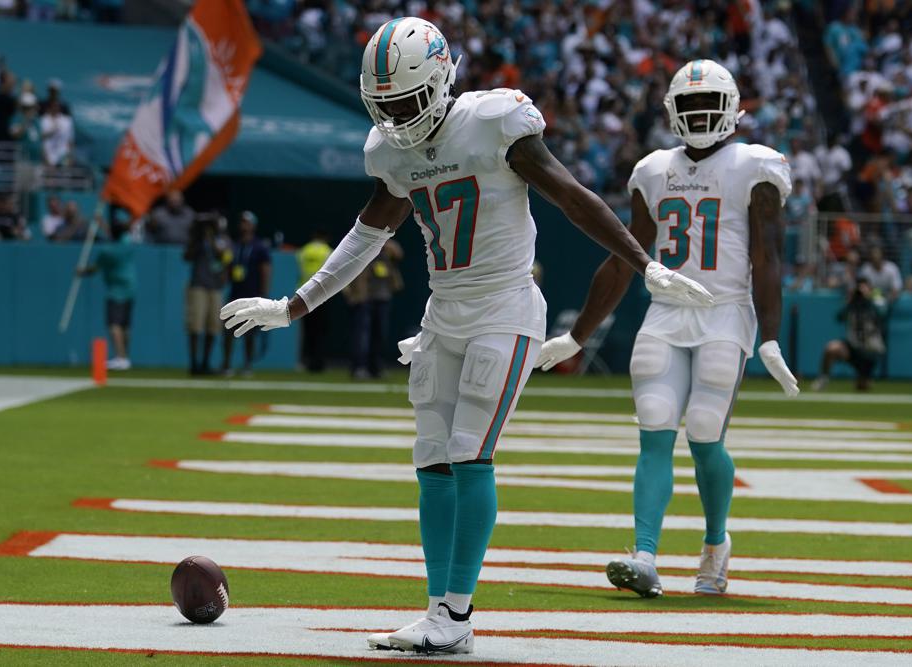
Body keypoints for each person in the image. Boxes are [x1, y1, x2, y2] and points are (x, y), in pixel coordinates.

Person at [219, 18, 711, 656]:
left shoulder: (493, 124)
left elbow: (570, 195)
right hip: (443, 311)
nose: (396, 117)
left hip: (504, 307)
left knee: (468, 447)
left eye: (406, 101)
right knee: (431, 457)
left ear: (441, 79)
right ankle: (436, 612)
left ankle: (457, 611)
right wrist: (295, 305)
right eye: (385, 105)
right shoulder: (391, 153)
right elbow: (368, 233)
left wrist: (644, 265)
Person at [536, 59, 798, 600]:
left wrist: (769, 334)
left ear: (732, 110)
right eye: (690, 107)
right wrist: (578, 335)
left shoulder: (756, 165)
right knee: (654, 425)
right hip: (665, 309)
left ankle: (715, 543)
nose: (700, 116)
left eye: (709, 106)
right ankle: (645, 555)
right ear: (672, 113)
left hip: (726, 309)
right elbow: (622, 257)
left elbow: (768, 256)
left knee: (704, 432)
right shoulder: (653, 170)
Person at [76, 213, 136, 370]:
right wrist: (102, 223)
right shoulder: (127, 243)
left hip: (116, 289)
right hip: (130, 287)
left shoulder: (107, 251)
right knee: (125, 325)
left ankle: (120, 357)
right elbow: (116, 233)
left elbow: (94, 269)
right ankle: (125, 357)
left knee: (114, 324)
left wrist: (82, 271)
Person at [811, 278, 887, 391]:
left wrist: (868, 299)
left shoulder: (875, 302)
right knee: (831, 348)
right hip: (853, 349)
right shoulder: (853, 304)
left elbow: (882, 315)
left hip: (870, 351)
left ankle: (864, 379)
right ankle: (823, 379)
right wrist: (851, 301)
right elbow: (839, 317)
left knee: (862, 387)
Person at [344, 238, 403, 379]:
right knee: (362, 335)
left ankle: (375, 367)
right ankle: (359, 367)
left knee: (380, 334)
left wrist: (383, 242)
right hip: (363, 297)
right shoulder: (358, 243)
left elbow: (399, 254)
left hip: (382, 296)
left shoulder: (387, 245)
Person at [222, 211, 270, 377]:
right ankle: (226, 364)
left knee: (249, 331)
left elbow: (265, 270)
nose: (244, 226)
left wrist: (263, 293)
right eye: (242, 222)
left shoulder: (259, 246)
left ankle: (247, 365)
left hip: (252, 293)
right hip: (236, 293)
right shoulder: (235, 246)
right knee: (229, 328)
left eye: (247, 223)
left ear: (253, 225)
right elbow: (228, 267)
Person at [184, 213, 230, 376]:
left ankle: (205, 362)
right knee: (195, 324)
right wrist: (198, 236)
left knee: (213, 325)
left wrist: (211, 239)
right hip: (198, 285)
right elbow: (187, 256)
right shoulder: (198, 240)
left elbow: (223, 256)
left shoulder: (223, 239)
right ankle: (194, 363)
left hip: (215, 287)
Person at [295, 230, 332, 372]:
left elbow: (299, 270)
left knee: (307, 331)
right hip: (323, 295)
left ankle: (306, 361)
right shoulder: (327, 251)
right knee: (321, 331)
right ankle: (319, 362)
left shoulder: (304, 251)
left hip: (304, 295)